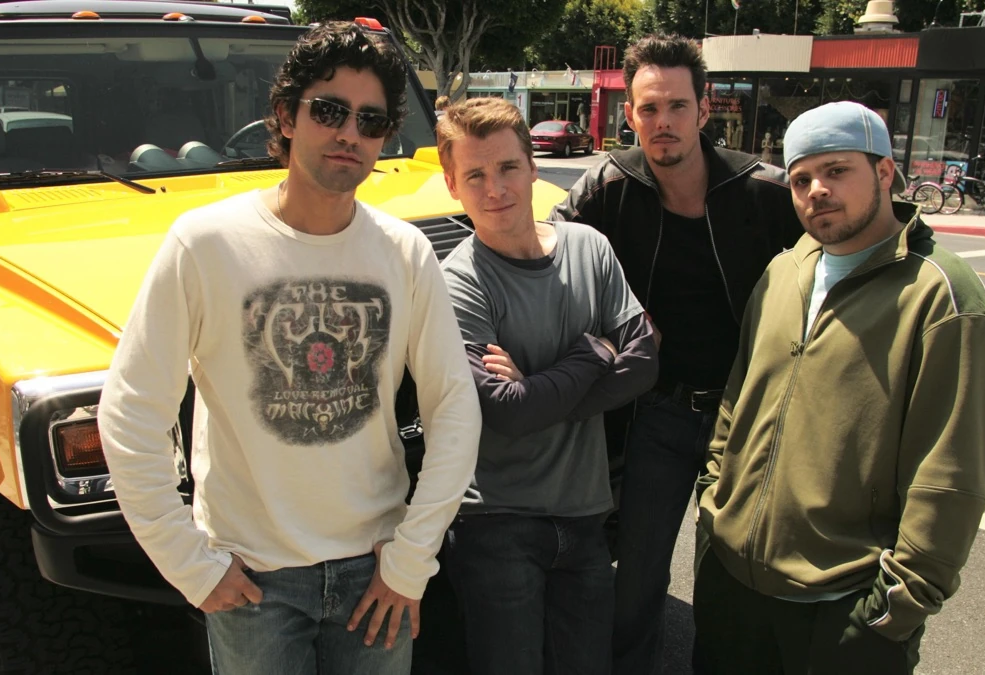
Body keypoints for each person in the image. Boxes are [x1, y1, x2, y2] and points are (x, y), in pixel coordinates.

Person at [97, 22, 481, 675]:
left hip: (375, 569)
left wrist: (412, 559)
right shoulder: (204, 244)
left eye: (371, 120)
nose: (349, 133)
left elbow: (455, 409)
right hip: (252, 579)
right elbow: (131, 411)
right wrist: (189, 564)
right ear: (285, 115)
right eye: (329, 111)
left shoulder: (405, 252)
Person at [695, 101, 985, 674]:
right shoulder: (784, 271)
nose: (817, 190)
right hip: (733, 587)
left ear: (884, 172)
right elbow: (738, 401)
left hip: (844, 608)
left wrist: (894, 609)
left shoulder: (940, 296)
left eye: (837, 171)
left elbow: (951, 474)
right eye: (801, 179)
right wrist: (715, 503)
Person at [550, 33, 801, 675]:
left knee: (734, 578)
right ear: (631, 116)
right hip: (657, 414)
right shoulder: (607, 186)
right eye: (649, 108)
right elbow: (545, 259)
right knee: (637, 577)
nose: (663, 121)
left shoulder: (764, 192)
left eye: (677, 106)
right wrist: (612, 329)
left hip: (744, 419)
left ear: (704, 109)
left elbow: (840, 255)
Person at [437, 97, 660, 675]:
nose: (495, 189)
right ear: (452, 185)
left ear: (533, 167)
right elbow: (505, 413)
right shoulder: (457, 282)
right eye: (475, 175)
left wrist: (537, 392)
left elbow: (645, 361)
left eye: (508, 167)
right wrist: (594, 352)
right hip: (496, 525)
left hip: (585, 515)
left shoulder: (589, 246)